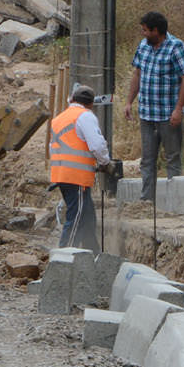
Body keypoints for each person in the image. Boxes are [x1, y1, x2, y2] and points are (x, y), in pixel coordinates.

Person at [122, 11, 184, 204]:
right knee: (147, 160)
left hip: (167, 114)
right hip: (147, 114)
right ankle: (147, 201)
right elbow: (137, 74)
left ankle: (174, 201)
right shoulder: (143, 47)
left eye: (146, 30)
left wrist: (179, 109)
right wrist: (129, 101)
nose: (143, 34)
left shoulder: (176, 47)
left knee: (172, 158)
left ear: (156, 31)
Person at [48, 85, 112, 248]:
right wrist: (105, 162)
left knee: (87, 216)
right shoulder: (85, 116)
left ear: (71, 99)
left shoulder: (59, 118)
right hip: (77, 177)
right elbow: (97, 146)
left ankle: (93, 254)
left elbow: (53, 148)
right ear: (90, 104)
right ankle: (64, 257)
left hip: (61, 174)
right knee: (76, 216)